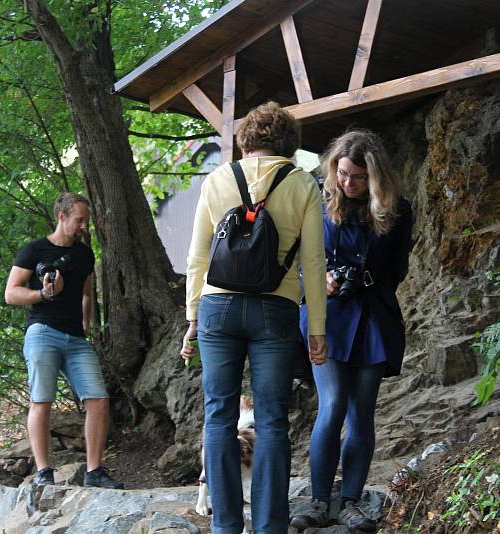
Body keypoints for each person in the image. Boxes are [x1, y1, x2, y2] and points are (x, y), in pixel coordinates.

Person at [180, 101, 328, 534]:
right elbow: (314, 263)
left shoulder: (217, 179)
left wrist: (191, 317)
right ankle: (269, 527)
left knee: (219, 417)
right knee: (272, 420)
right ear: (290, 143)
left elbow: (198, 255)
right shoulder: (303, 184)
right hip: (275, 309)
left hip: (217, 308)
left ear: (245, 140)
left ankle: (225, 526)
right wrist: (315, 327)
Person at [290, 129, 413, 532]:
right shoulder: (317, 202)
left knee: (361, 414)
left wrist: (364, 277)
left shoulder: (397, 211)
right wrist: (320, 277)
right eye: (343, 173)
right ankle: (318, 500)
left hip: (374, 317)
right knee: (333, 403)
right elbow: (297, 261)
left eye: (358, 177)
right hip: (326, 317)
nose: (348, 183)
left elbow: (397, 271)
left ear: (374, 177)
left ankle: (352, 502)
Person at [5, 192, 123, 489]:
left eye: (86, 220)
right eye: (79, 220)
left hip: (76, 339)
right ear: (62, 216)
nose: (84, 225)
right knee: (42, 401)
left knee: (98, 399)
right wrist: (41, 294)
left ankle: (94, 472)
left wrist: (86, 322)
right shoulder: (34, 250)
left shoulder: (84, 253)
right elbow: (11, 293)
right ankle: (44, 472)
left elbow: (86, 292)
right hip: (43, 331)